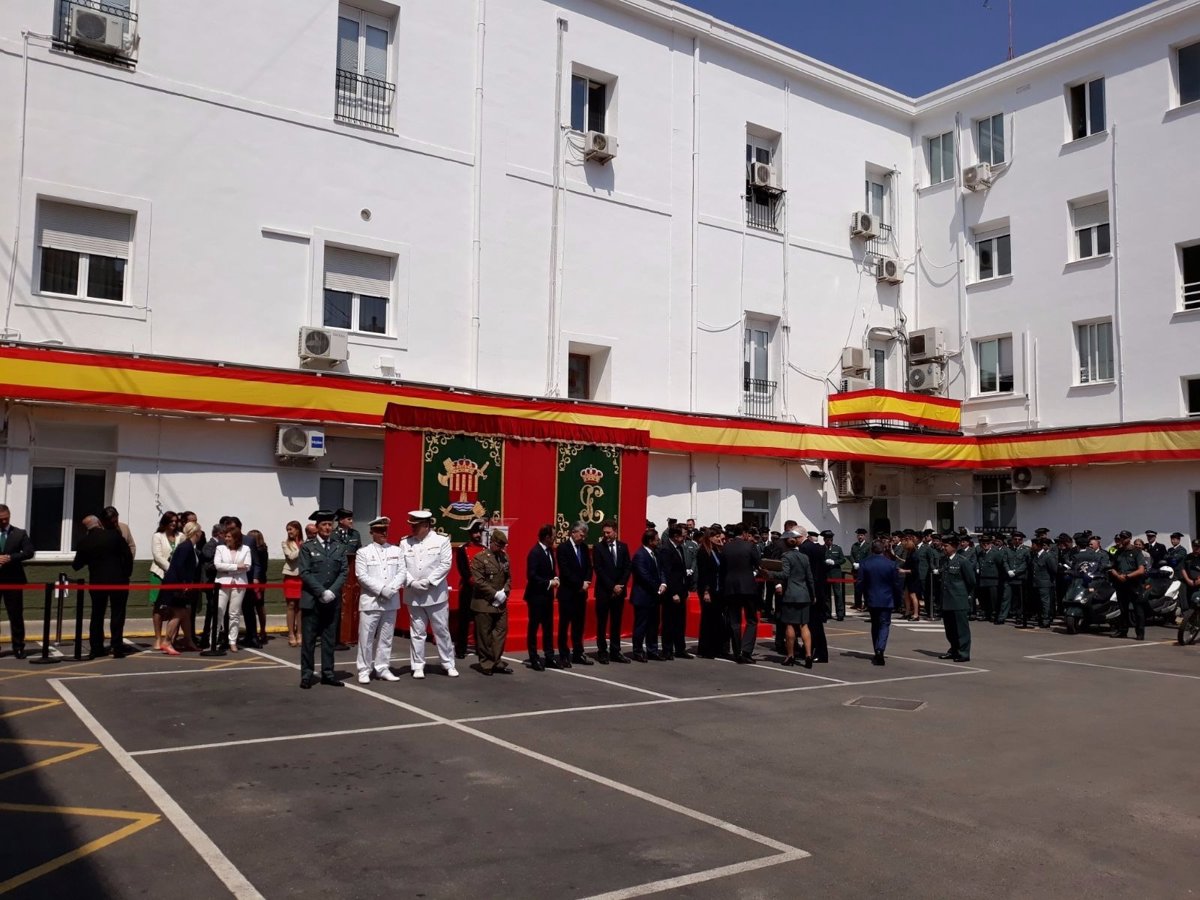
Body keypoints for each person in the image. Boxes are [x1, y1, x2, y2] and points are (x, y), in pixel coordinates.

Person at [394, 510, 457, 679]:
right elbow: (401, 566)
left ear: (426, 525)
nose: (412, 528)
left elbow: (445, 564)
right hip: (414, 594)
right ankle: (418, 665)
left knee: (441, 630)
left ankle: (448, 663)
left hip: (435, 594)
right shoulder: (405, 542)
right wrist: (412, 582)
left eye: (416, 525)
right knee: (417, 632)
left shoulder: (442, 540)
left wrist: (429, 581)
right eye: (412, 525)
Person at [298, 509, 348, 689]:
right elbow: (305, 572)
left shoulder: (339, 547)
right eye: (324, 524)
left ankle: (328, 673)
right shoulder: (307, 547)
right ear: (317, 527)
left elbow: (343, 572)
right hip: (312, 599)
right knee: (309, 640)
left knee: (329, 639)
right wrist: (321, 592)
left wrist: (332, 592)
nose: (327, 528)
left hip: (332, 600)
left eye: (330, 524)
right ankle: (306, 675)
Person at [72, 514, 134, 659]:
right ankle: (117, 647)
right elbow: (128, 555)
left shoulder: (85, 541)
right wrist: (126, 574)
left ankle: (96, 648)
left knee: (97, 615)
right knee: (117, 614)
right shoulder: (114, 535)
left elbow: (76, 565)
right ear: (99, 523)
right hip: (118, 580)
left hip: (97, 581)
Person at [353, 516, 403, 684]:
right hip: (371, 601)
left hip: (390, 601)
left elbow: (401, 573)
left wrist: (391, 589)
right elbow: (362, 576)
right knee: (366, 638)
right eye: (380, 530)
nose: (383, 533)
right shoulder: (363, 552)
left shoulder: (396, 551)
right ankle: (364, 669)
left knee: (386, 638)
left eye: (385, 530)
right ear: (372, 532)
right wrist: (382, 590)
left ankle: (382, 668)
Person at [469, 528, 513, 675]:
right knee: (484, 634)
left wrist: (504, 592)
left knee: (501, 630)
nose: (501, 549)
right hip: (484, 602)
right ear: (492, 543)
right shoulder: (480, 558)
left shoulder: (504, 557)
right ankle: (486, 663)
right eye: (499, 545)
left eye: (503, 546)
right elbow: (479, 581)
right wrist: (495, 594)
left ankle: (496, 660)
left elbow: (508, 577)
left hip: (501, 602)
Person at [159, 522, 204, 654]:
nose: (201, 533)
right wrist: (184, 583)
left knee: (186, 613)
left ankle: (188, 641)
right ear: (196, 533)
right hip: (177, 585)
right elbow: (179, 566)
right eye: (200, 531)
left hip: (180, 584)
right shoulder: (186, 547)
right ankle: (167, 641)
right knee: (178, 613)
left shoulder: (189, 546)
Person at [592, 519, 631, 664]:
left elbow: (627, 567)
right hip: (604, 591)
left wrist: (621, 585)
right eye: (604, 533)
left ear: (615, 531)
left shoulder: (623, 547)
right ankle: (602, 651)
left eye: (608, 532)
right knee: (602, 623)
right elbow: (599, 569)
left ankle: (615, 651)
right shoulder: (598, 548)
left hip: (619, 592)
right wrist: (612, 586)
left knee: (616, 622)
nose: (606, 535)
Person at [774, 531, 816, 667]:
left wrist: (769, 573)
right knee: (804, 625)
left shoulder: (786, 556)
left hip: (791, 595)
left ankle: (790, 655)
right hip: (804, 594)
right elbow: (809, 578)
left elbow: (785, 574)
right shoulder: (804, 557)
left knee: (790, 625)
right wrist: (812, 594)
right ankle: (808, 655)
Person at [722, 523, 762, 664]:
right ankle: (746, 650)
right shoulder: (750, 546)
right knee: (751, 620)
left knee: (735, 621)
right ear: (744, 533)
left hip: (731, 587)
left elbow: (722, 568)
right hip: (747, 587)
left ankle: (737, 651)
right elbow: (759, 564)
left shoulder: (726, 547)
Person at [555, 521, 594, 666]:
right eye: (581, 535)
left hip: (581, 594)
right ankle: (564, 654)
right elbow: (565, 571)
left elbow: (589, 567)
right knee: (564, 625)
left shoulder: (583, 547)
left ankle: (578, 653)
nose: (583, 538)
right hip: (568, 593)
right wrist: (579, 584)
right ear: (573, 532)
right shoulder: (563, 548)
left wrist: (587, 581)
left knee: (579, 625)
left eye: (585, 536)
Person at [859, 539, 902, 666]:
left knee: (875, 625)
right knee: (884, 625)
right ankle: (880, 649)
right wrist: (898, 600)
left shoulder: (865, 563)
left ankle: (877, 649)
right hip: (887, 598)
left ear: (872, 550)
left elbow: (860, 583)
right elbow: (896, 584)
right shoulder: (891, 564)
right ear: (883, 549)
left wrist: (861, 599)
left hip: (872, 598)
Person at [0, 504, 35, 659]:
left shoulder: (19, 533)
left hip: (13, 579)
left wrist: (10, 557)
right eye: (0, 519)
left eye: (6, 519)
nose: (4, 522)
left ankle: (18, 646)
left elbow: (29, 552)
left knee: (15, 614)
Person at [524, 524, 558, 671]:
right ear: (547, 537)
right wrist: (549, 583)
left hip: (547, 596)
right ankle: (533, 657)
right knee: (534, 627)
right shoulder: (535, 553)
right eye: (553, 536)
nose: (555, 538)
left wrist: (555, 577)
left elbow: (551, 570)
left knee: (548, 627)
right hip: (536, 596)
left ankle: (549, 656)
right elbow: (531, 576)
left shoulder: (550, 551)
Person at [937, 534, 976, 662]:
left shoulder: (962, 561)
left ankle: (963, 653)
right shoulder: (943, 560)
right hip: (946, 600)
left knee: (961, 629)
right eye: (943, 545)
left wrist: (965, 595)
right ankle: (954, 650)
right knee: (950, 629)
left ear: (954, 546)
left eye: (946, 545)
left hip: (959, 600)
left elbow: (971, 581)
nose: (944, 548)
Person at [657, 523, 693, 660]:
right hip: (672, 592)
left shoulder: (680, 548)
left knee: (680, 622)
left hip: (681, 590)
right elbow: (667, 572)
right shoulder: (666, 549)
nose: (685, 538)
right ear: (676, 536)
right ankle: (667, 649)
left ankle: (680, 648)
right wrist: (673, 593)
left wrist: (685, 589)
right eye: (683, 536)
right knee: (669, 622)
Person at [630, 529, 666, 662]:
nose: (659, 541)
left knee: (653, 625)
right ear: (650, 541)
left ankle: (652, 650)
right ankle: (638, 651)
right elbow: (644, 576)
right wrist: (657, 587)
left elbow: (661, 570)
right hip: (643, 596)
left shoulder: (656, 553)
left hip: (655, 597)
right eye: (657, 539)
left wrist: (663, 583)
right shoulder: (640, 555)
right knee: (641, 625)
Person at [214, 526, 252, 652]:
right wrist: (236, 567)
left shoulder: (245, 549)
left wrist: (228, 568)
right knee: (219, 611)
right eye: (226, 536)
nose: (226, 539)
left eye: (229, 537)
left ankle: (232, 641)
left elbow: (247, 566)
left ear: (236, 538)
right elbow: (218, 565)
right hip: (222, 583)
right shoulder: (220, 548)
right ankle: (213, 641)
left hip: (239, 583)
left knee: (234, 613)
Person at [453, 521, 486, 660]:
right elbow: (462, 569)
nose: (478, 535)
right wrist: (471, 580)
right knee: (464, 620)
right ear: (470, 533)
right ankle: (461, 648)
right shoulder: (462, 549)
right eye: (475, 532)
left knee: (480, 621)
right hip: (468, 588)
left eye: (479, 532)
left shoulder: (484, 550)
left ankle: (481, 648)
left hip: (481, 590)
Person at [150, 511, 182, 652]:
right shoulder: (158, 536)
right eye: (171, 521)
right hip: (159, 573)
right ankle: (158, 637)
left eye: (175, 521)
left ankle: (170, 638)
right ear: (165, 522)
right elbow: (157, 556)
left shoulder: (180, 536)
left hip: (176, 576)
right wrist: (170, 569)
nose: (174, 523)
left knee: (173, 606)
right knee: (158, 606)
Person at [695, 528, 728, 658]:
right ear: (709, 537)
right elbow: (704, 573)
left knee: (717, 619)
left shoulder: (716, 551)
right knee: (708, 619)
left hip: (718, 589)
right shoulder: (703, 552)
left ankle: (716, 647)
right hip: (708, 589)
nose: (719, 539)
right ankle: (705, 649)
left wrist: (721, 546)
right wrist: (706, 591)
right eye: (716, 537)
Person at [1111, 530, 1147, 640]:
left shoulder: (1136, 552)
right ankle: (1123, 631)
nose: (1122, 539)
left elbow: (1141, 570)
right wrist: (1118, 576)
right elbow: (1112, 568)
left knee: (1138, 609)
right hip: (1121, 583)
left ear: (1130, 538)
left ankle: (1140, 633)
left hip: (1134, 583)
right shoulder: (1118, 552)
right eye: (1121, 537)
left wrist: (1127, 576)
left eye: (1125, 537)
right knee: (1123, 609)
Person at [243, 529, 269, 648]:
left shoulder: (258, 551)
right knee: (259, 606)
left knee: (254, 606)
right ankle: (262, 630)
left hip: (256, 581)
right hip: (261, 580)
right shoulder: (263, 550)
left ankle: (257, 631)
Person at [1002, 532, 1031, 627]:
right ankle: (1002, 617)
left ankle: (1019, 617)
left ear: (1022, 540)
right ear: (1012, 540)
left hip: (1020, 578)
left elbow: (1026, 563)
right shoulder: (1007, 550)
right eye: (1015, 539)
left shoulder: (1026, 550)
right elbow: (1005, 561)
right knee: (1006, 597)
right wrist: (1008, 570)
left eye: (1019, 539)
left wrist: (1016, 571)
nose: (1017, 541)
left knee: (1020, 599)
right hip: (1009, 577)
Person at [281, 520, 303, 647]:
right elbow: (291, 556)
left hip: (302, 577)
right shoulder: (285, 543)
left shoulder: (305, 543)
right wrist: (301, 548)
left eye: (291, 529)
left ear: (297, 530)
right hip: (290, 576)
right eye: (288, 530)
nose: (289, 532)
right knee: (291, 605)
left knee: (300, 606)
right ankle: (291, 634)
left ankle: (299, 633)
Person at [821, 530, 848, 620]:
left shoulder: (837, 548)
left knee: (838, 594)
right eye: (828, 540)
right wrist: (824, 562)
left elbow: (843, 559)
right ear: (824, 540)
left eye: (831, 540)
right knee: (826, 595)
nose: (829, 542)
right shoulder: (821, 549)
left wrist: (835, 562)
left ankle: (840, 614)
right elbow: (819, 560)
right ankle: (827, 613)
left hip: (836, 574)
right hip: (826, 574)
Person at [849, 527, 870, 611]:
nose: (860, 537)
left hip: (864, 570)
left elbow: (868, 557)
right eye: (858, 535)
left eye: (861, 535)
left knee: (865, 588)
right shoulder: (854, 545)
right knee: (856, 587)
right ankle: (857, 604)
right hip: (855, 569)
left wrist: (860, 565)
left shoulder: (868, 546)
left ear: (864, 536)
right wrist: (853, 563)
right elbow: (851, 555)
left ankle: (866, 604)